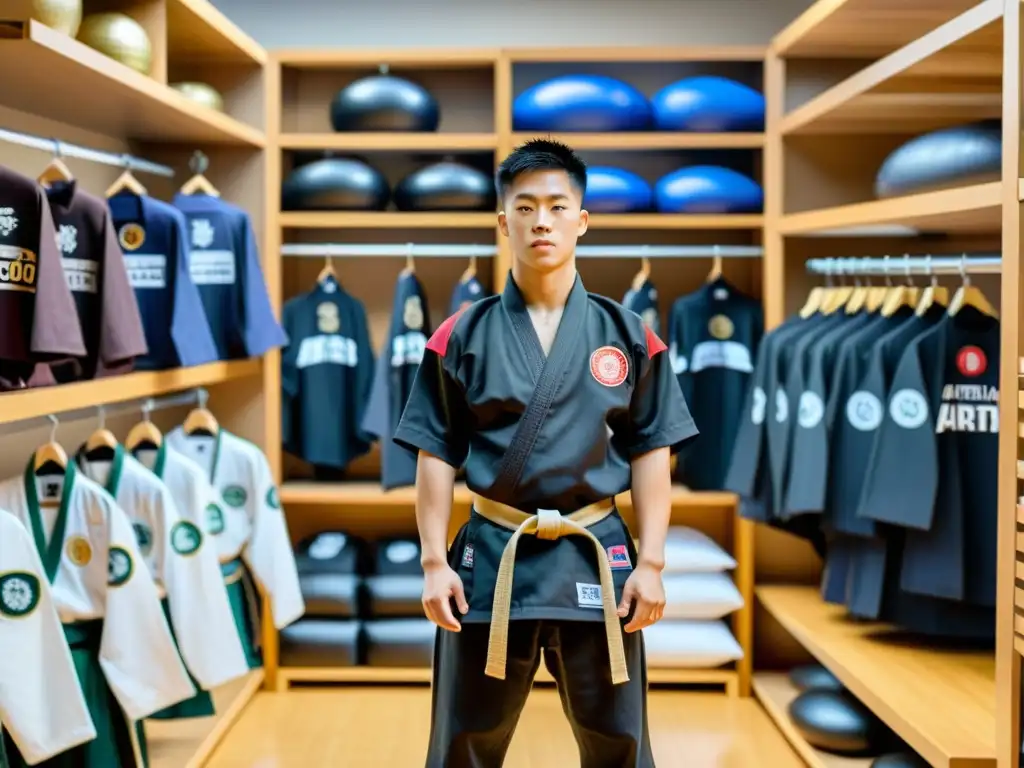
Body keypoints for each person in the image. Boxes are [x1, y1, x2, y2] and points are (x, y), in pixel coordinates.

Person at [393, 138, 699, 768]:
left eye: (557, 207)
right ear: (503, 221)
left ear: (581, 220)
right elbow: (435, 451)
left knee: (619, 742)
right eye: (525, 207)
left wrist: (654, 563)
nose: (541, 221)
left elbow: (651, 451)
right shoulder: (460, 334)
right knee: (462, 745)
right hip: (492, 558)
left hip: (597, 560)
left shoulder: (629, 335)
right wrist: (431, 562)